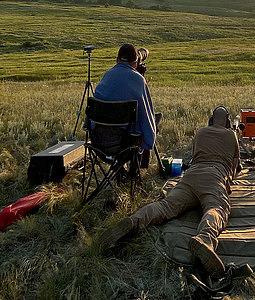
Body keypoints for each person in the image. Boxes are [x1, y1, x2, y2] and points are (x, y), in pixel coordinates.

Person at [99, 106, 240, 275]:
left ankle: (135, 221)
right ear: (228, 122)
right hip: (214, 177)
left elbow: (195, 156)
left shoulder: (201, 132)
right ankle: (205, 239)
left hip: (189, 177)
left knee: (165, 206)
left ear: (211, 120)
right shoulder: (231, 135)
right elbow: (235, 166)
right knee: (216, 209)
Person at [92, 43, 156, 166]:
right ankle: (136, 172)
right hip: (125, 145)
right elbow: (146, 116)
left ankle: (119, 171)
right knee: (147, 124)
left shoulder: (107, 75)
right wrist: (149, 140)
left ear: (117, 60)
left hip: (98, 143)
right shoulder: (138, 80)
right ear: (136, 63)